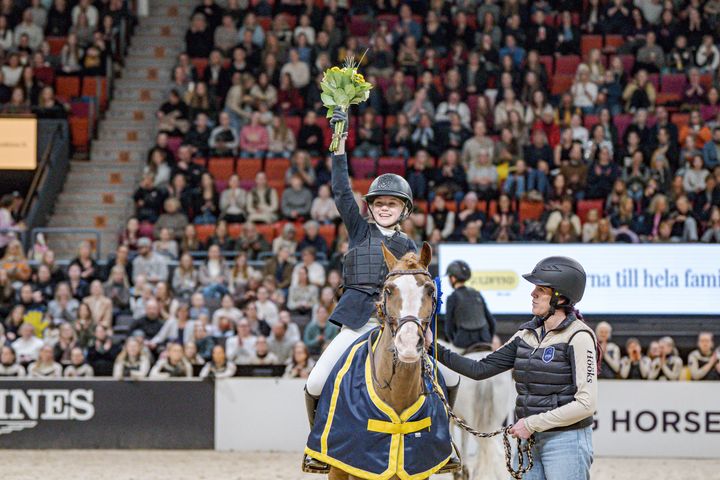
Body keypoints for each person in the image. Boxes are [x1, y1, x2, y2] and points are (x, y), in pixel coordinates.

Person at [302, 108, 460, 473]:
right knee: (316, 381)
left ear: (404, 209)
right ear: (370, 208)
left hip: (400, 325)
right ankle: (320, 446)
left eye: (391, 204)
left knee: (450, 377)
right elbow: (341, 191)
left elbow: (420, 294)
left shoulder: (410, 247)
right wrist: (339, 144)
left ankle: (444, 443)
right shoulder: (360, 230)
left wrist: (424, 327)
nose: (384, 208)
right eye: (378, 203)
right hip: (359, 322)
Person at [430, 256, 597, 479]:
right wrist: (431, 346)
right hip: (529, 440)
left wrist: (532, 423)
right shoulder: (525, 335)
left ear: (561, 297)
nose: (532, 294)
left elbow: (586, 404)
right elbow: (479, 370)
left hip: (566, 442)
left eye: (540, 290)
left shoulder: (579, 336)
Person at [444, 260, 495, 348]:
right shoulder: (477, 293)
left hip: (463, 341)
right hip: (484, 338)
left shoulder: (452, 297)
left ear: (453, 278)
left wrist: (453, 341)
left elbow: (449, 327)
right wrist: (489, 340)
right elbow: (491, 322)